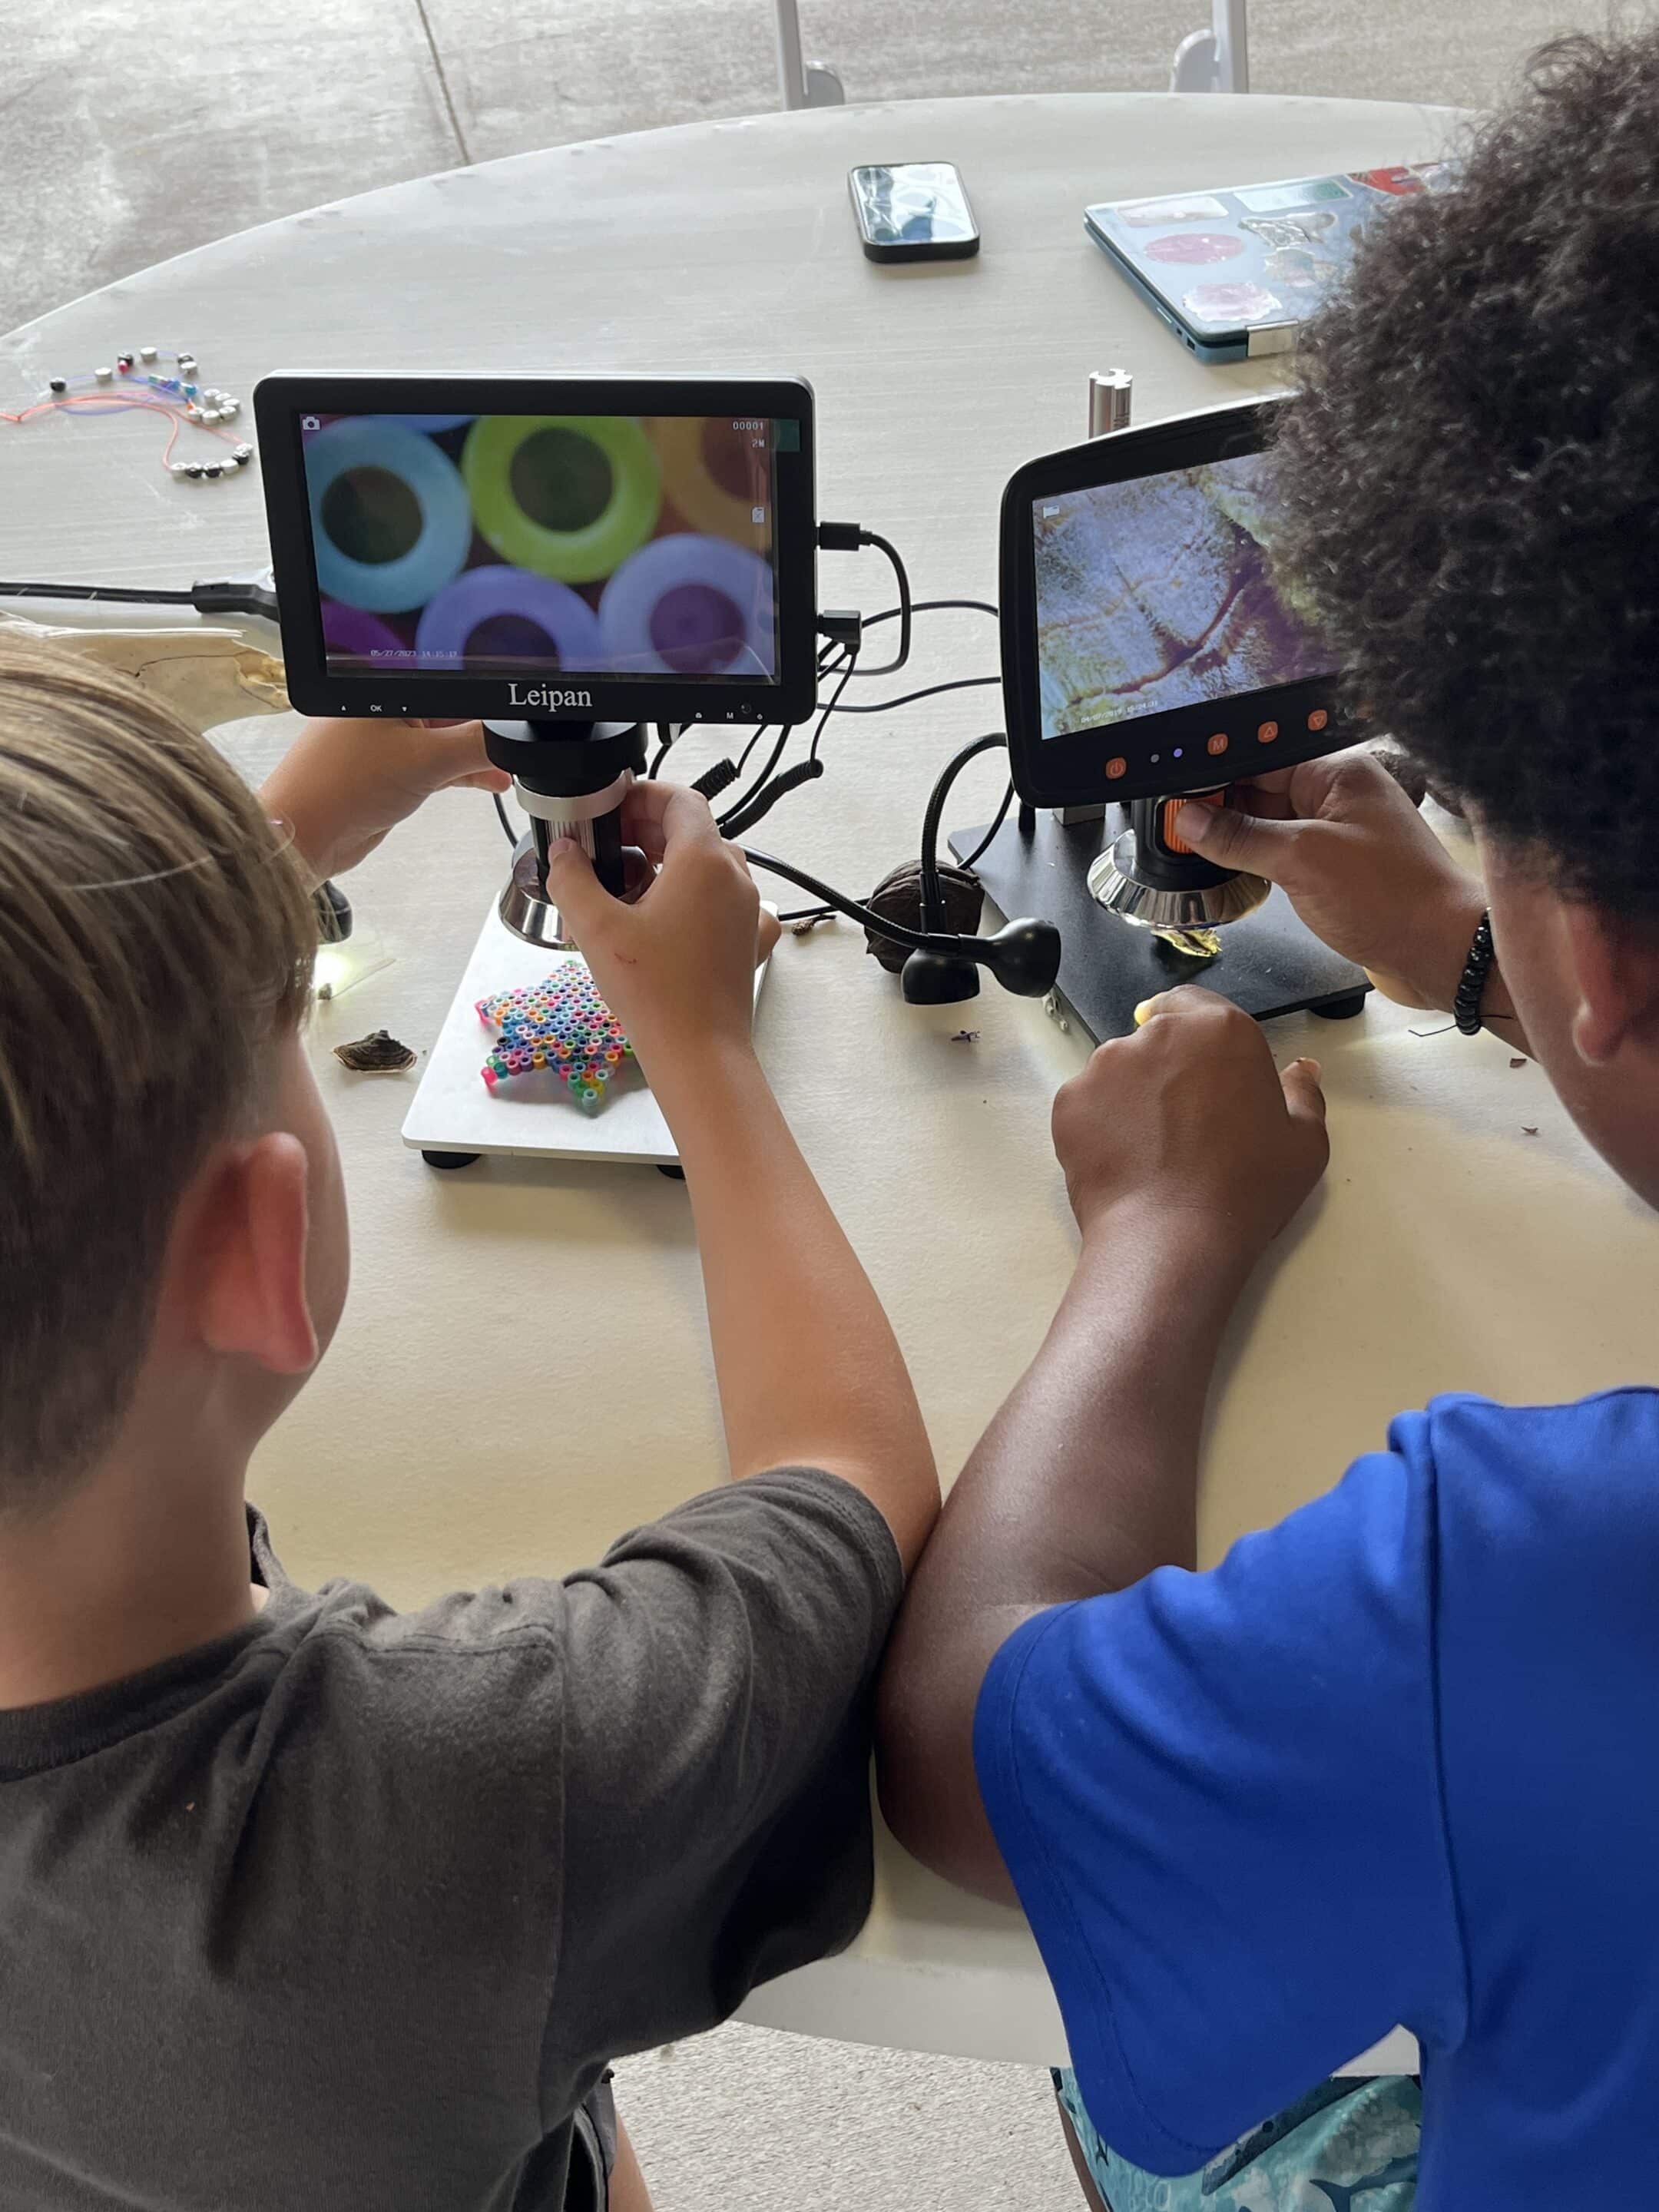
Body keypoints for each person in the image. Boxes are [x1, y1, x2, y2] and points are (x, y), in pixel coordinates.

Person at [876, 28, 1659, 2212]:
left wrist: (1162, 1240)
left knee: (1153, 2092)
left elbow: (969, 1760)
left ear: (1612, 954)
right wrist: (1492, 960)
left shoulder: (1513, 1602)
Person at [0, 639, 939, 2212]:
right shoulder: (485, 1799)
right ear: (258, 1254)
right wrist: (699, 1043)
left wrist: (268, 847)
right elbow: (846, 1477)